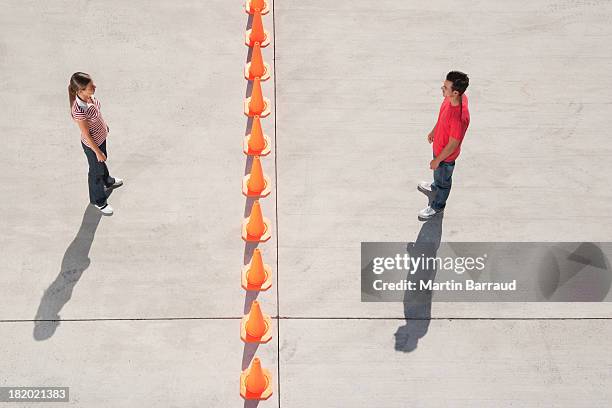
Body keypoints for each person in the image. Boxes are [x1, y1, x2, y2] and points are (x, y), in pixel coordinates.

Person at [417, 71, 470, 220]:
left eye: (445, 87)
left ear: (455, 92)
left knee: (444, 181)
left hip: (445, 157)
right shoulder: (450, 99)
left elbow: (453, 144)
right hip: (439, 148)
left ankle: (437, 206)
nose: (442, 89)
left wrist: (437, 160)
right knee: (439, 176)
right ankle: (435, 186)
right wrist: (434, 130)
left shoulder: (459, 118)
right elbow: (442, 117)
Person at [68, 72, 123, 215]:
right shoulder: (79, 110)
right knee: (95, 172)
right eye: (90, 86)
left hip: (101, 138)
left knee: (101, 163)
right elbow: (86, 134)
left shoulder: (89, 97)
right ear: (80, 91)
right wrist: (97, 152)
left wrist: (104, 126)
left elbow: (97, 114)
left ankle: (108, 181)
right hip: (93, 145)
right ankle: (98, 201)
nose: (94, 86)